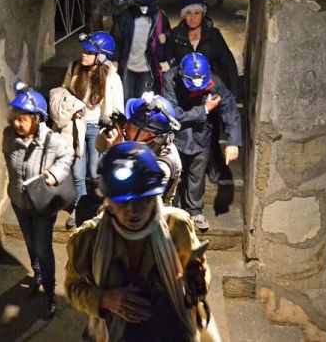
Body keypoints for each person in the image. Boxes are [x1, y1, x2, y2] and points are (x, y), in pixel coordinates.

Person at [64, 142, 218, 342]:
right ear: (108, 200)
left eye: (141, 200)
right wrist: (104, 299)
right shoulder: (88, 240)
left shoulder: (176, 227)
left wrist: (195, 279)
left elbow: (199, 281)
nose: (132, 211)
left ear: (154, 196)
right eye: (122, 202)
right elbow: (73, 288)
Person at [3, 83, 74, 319]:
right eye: (15, 117)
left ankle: (51, 293)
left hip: (42, 204)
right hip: (19, 201)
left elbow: (68, 155)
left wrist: (54, 174)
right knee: (31, 244)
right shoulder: (8, 136)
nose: (16, 123)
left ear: (37, 119)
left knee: (43, 249)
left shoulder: (50, 140)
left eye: (22, 119)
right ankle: (37, 275)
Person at [162, 52, 242, 232]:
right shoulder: (170, 79)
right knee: (173, 173)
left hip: (202, 136)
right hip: (177, 134)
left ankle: (195, 210)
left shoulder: (213, 80)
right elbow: (173, 113)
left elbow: (229, 108)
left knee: (197, 175)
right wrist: (204, 110)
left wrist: (233, 141)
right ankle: (170, 211)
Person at [170, 0, 240, 185]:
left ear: (203, 14)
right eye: (189, 13)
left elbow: (227, 62)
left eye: (197, 13)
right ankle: (183, 170)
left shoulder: (212, 36)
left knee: (211, 130)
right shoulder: (177, 35)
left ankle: (213, 166)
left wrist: (232, 90)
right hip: (185, 89)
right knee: (185, 128)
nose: (193, 17)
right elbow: (168, 56)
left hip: (208, 87)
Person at [59, 31, 124, 229]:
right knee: (78, 173)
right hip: (77, 127)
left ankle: (97, 207)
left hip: (98, 129)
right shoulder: (75, 69)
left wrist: (112, 123)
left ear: (101, 56)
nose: (83, 55)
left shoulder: (112, 77)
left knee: (95, 173)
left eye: (89, 52)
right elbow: (64, 91)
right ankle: (79, 207)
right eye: (84, 51)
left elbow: (118, 107)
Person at [95, 92, 182, 205]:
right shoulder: (141, 141)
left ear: (149, 134)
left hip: (147, 216)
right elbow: (99, 146)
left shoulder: (164, 163)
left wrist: (118, 152)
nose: (126, 126)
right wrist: (108, 132)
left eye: (131, 125)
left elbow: (134, 200)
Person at [111, 0, 171, 100]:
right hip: (127, 67)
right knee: (125, 100)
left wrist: (165, 42)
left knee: (142, 103)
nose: (144, 9)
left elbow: (168, 38)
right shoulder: (125, 16)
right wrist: (114, 59)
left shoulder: (159, 17)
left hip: (146, 68)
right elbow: (116, 38)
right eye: (140, 4)